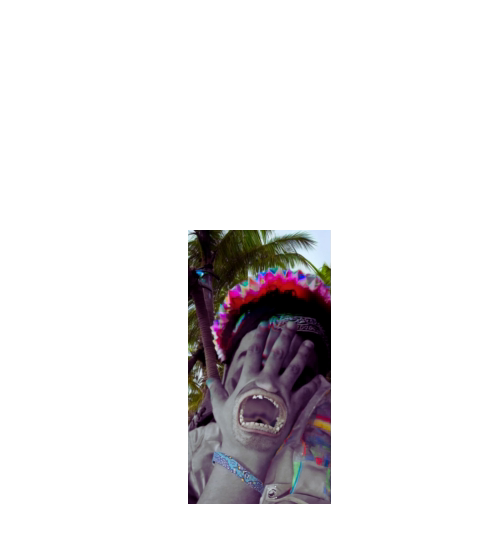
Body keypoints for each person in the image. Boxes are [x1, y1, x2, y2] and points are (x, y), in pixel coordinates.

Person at [188, 268, 331, 504]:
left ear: (321, 391)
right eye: (254, 367)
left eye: (295, 376)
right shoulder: (193, 449)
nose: (267, 386)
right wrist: (244, 454)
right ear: (226, 379)